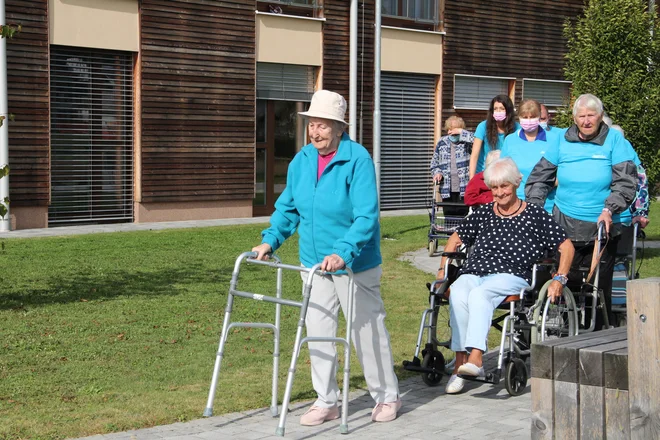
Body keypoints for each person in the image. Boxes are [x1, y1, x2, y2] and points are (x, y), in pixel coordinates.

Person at [251, 90, 401, 425]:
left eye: (321, 125)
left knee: (366, 330)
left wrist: (344, 252)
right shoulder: (301, 161)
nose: (314, 131)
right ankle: (326, 400)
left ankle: (387, 397)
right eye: (311, 124)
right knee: (318, 331)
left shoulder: (357, 159)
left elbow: (366, 216)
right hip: (313, 263)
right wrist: (269, 242)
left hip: (355, 264)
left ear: (337, 127)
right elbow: (287, 209)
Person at [437, 158, 575, 394]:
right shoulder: (482, 213)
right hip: (475, 271)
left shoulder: (534, 215)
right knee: (459, 290)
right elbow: (455, 239)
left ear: (515, 184)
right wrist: (442, 269)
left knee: (480, 294)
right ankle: (460, 365)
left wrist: (559, 278)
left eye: (504, 186)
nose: (499, 193)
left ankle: (476, 359)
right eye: (494, 188)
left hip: (511, 275)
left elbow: (567, 247)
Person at [525, 93, 638, 329]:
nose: (586, 121)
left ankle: (599, 335)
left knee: (598, 288)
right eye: (581, 116)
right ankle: (566, 333)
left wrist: (609, 208)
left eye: (591, 115)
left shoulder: (615, 141)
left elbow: (626, 182)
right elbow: (539, 179)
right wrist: (535, 208)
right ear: (574, 118)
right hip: (564, 222)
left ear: (600, 116)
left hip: (602, 226)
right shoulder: (561, 141)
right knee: (565, 281)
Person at [501, 99, 559, 213]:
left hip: (547, 204)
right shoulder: (510, 140)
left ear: (539, 116)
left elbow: (561, 171)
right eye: (525, 117)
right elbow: (503, 172)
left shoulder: (554, 139)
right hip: (516, 204)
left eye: (532, 117)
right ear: (519, 117)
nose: (528, 120)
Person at [430, 115, 473, 216]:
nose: (451, 132)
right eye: (450, 129)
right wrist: (437, 173)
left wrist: (461, 132)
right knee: (449, 218)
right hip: (446, 187)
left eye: (454, 129)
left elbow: (477, 139)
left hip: (464, 187)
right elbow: (434, 163)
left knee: (463, 219)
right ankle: (449, 233)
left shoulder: (466, 142)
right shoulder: (442, 142)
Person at [468, 95, 519, 178]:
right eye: (495, 109)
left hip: (506, 174)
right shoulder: (482, 126)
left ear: (508, 111)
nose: (498, 111)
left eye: (502, 109)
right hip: (484, 174)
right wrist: (471, 179)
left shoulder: (517, 128)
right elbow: (474, 155)